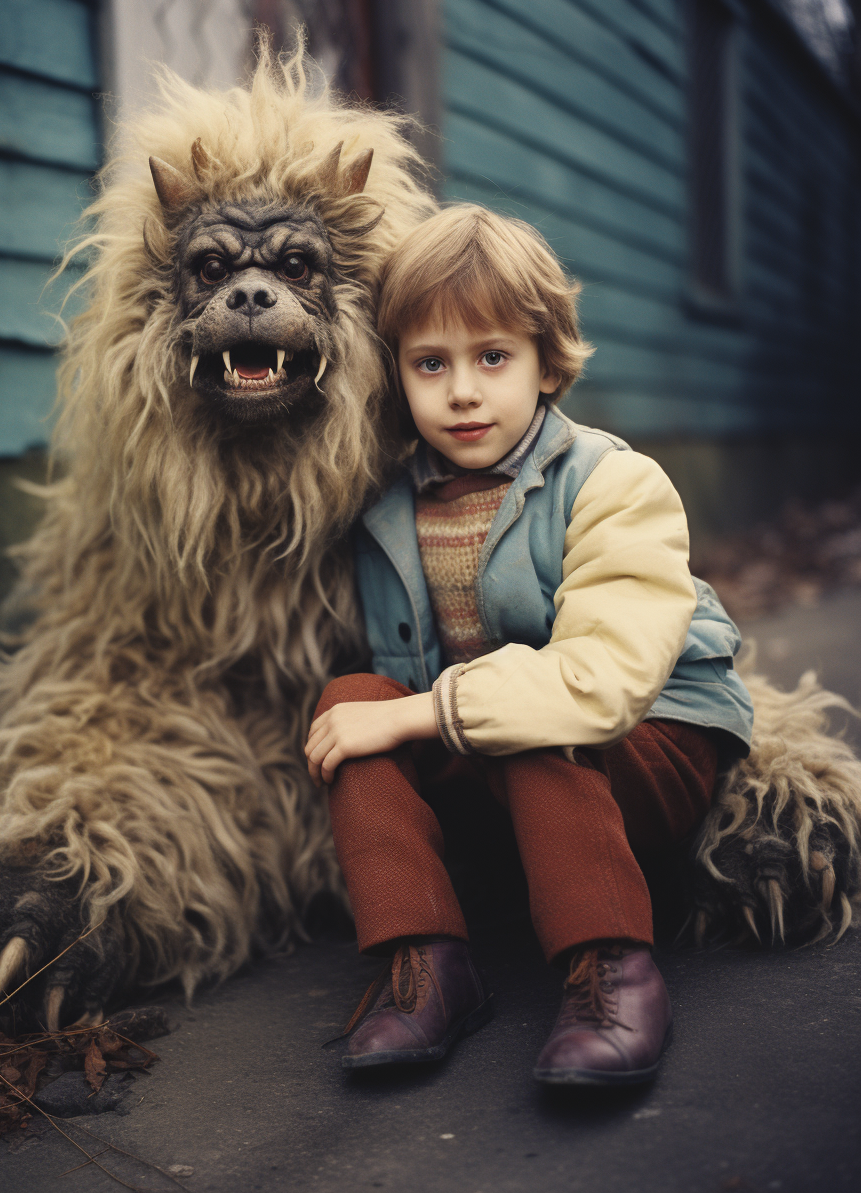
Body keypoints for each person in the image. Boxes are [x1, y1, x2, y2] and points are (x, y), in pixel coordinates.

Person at [304, 204, 753, 1086]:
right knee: (350, 701)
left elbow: (597, 685)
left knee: (538, 721)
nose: (462, 391)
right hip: (498, 767)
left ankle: (611, 966)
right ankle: (427, 962)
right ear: (397, 374)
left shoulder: (616, 482)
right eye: (430, 363)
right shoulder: (385, 507)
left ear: (548, 362)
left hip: (641, 751)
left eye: (493, 357)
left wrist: (428, 714)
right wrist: (393, 718)